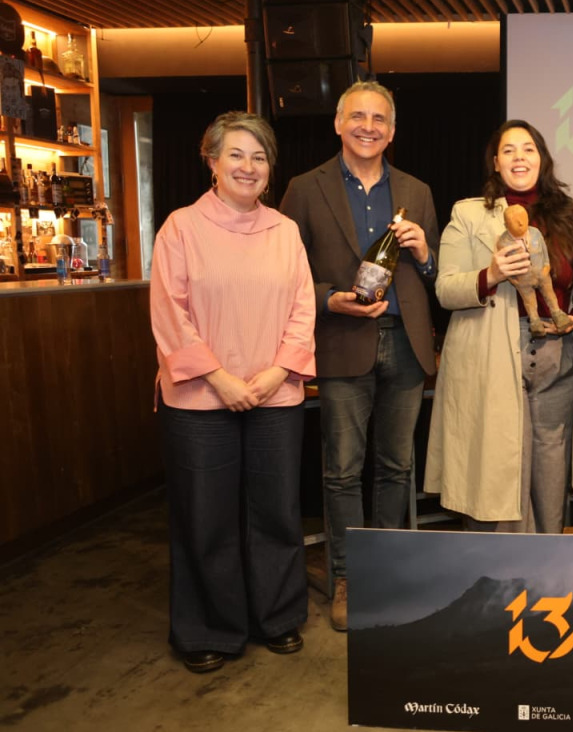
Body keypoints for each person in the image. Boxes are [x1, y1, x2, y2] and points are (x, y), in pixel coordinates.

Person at [150, 111, 316, 673]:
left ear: (270, 168)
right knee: (205, 516)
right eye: (237, 155)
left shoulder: (285, 231)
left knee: (277, 511)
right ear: (213, 162)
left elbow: (303, 310)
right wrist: (219, 377)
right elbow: (169, 313)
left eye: (259, 156)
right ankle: (208, 627)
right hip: (200, 398)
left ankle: (277, 616)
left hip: (275, 393)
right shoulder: (180, 228)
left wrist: (276, 373)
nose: (249, 166)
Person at [278, 81, 439, 632]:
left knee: (397, 466)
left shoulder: (417, 190)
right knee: (342, 470)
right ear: (338, 123)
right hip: (341, 340)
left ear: (392, 131)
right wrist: (330, 298)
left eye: (379, 119)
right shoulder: (304, 188)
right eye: (358, 117)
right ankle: (348, 577)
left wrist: (425, 253)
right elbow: (286, 273)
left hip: (407, 342)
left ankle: (385, 572)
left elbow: (435, 275)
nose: (368, 127)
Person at [425, 120, 573, 533]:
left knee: (552, 467)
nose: (520, 157)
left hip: (559, 357)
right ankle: (498, 568)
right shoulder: (469, 214)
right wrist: (492, 274)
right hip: (495, 355)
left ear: (543, 159)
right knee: (498, 469)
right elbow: (445, 289)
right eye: (509, 150)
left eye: (528, 149)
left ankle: (548, 562)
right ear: (495, 163)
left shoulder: (570, 216)